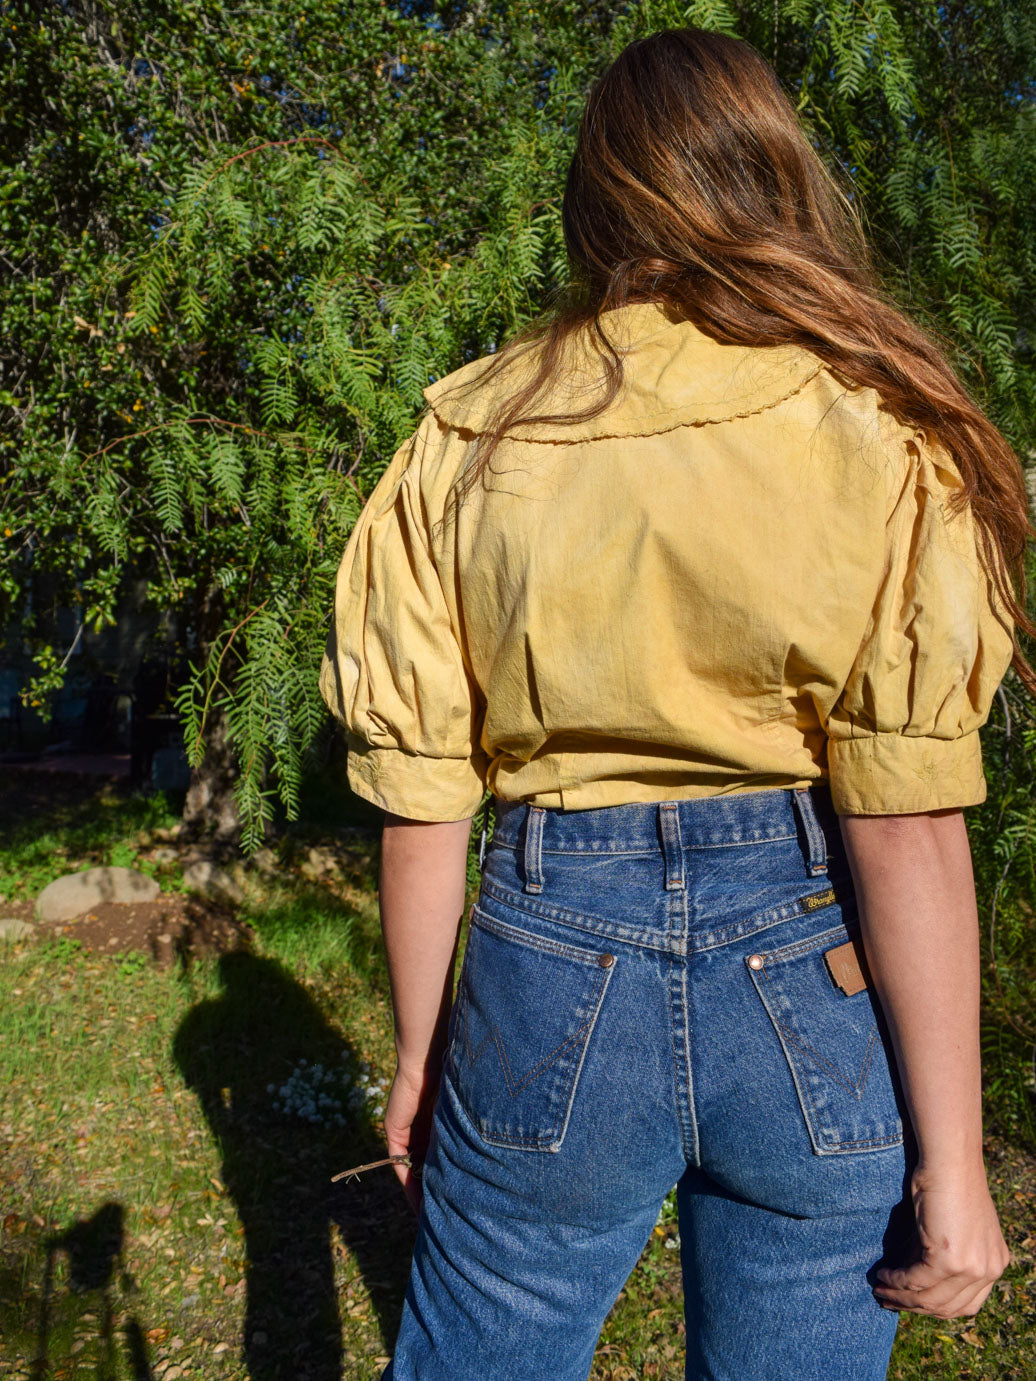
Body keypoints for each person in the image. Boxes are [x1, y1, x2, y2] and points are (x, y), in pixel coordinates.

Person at [319, 27, 1030, 1381]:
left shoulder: (472, 434)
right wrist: (956, 1160)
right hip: (810, 963)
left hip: (544, 960)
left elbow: (422, 800)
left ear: (596, 197)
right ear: (775, 178)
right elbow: (908, 829)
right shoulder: (876, 423)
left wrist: (421, 1056)